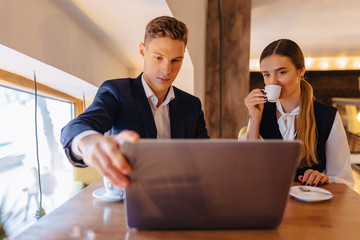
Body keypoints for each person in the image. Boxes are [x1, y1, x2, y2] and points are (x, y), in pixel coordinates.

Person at [61, 16, 209, 189]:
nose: (167, 70)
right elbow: (77, 125)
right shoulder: (116, 91)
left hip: (180, 195)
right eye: (158, 58)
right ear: (142, 51)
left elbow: (205, 154)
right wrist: (87, 142)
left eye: (176, 60)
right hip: (129, 196)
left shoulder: (192, 105)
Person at [241, 39, 354, 187]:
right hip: (267, 199)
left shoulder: (327, 116)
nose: (273, 82)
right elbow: (250, 168)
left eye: (281, 72)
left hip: (311, 205)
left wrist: (325, 178)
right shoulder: (260, 111)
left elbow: (342, 178)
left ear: (301, 70)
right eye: (266, 75)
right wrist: (255, 117)